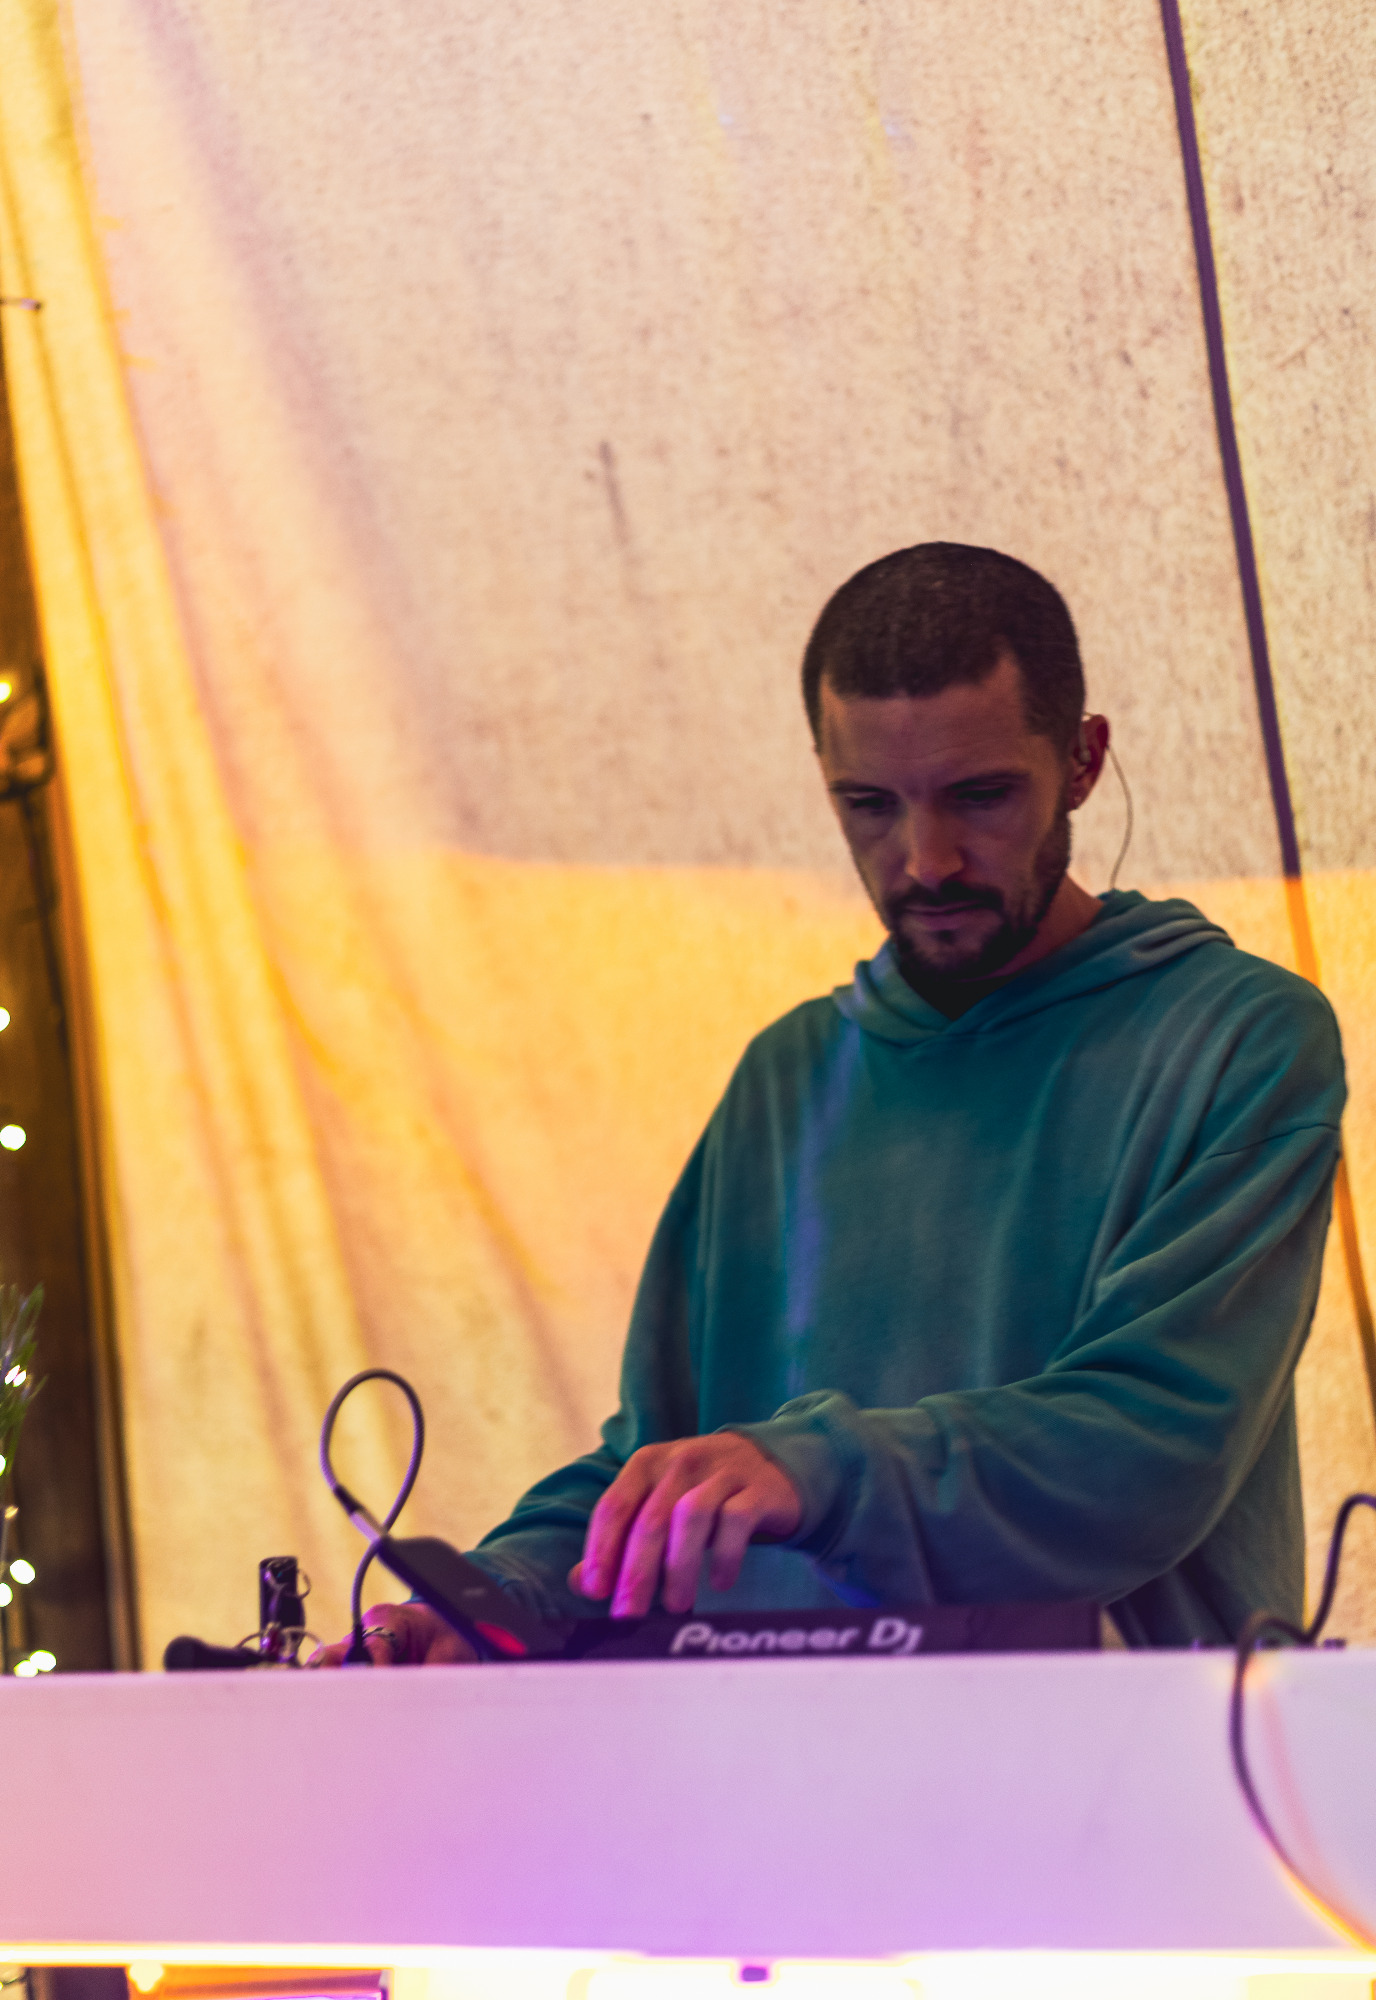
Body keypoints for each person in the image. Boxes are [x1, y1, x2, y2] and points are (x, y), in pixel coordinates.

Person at [324, 541, 1345, 1665]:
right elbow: (662, 1463)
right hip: (779, 1753)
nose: (926, 858)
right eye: (869, 804)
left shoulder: (1235, 1038)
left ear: (1083, 759)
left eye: (980, 795)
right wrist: (497, 1598)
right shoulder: (788, 1074)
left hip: (1122, 1752)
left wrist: (814, 1471)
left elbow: (1150, 1447)